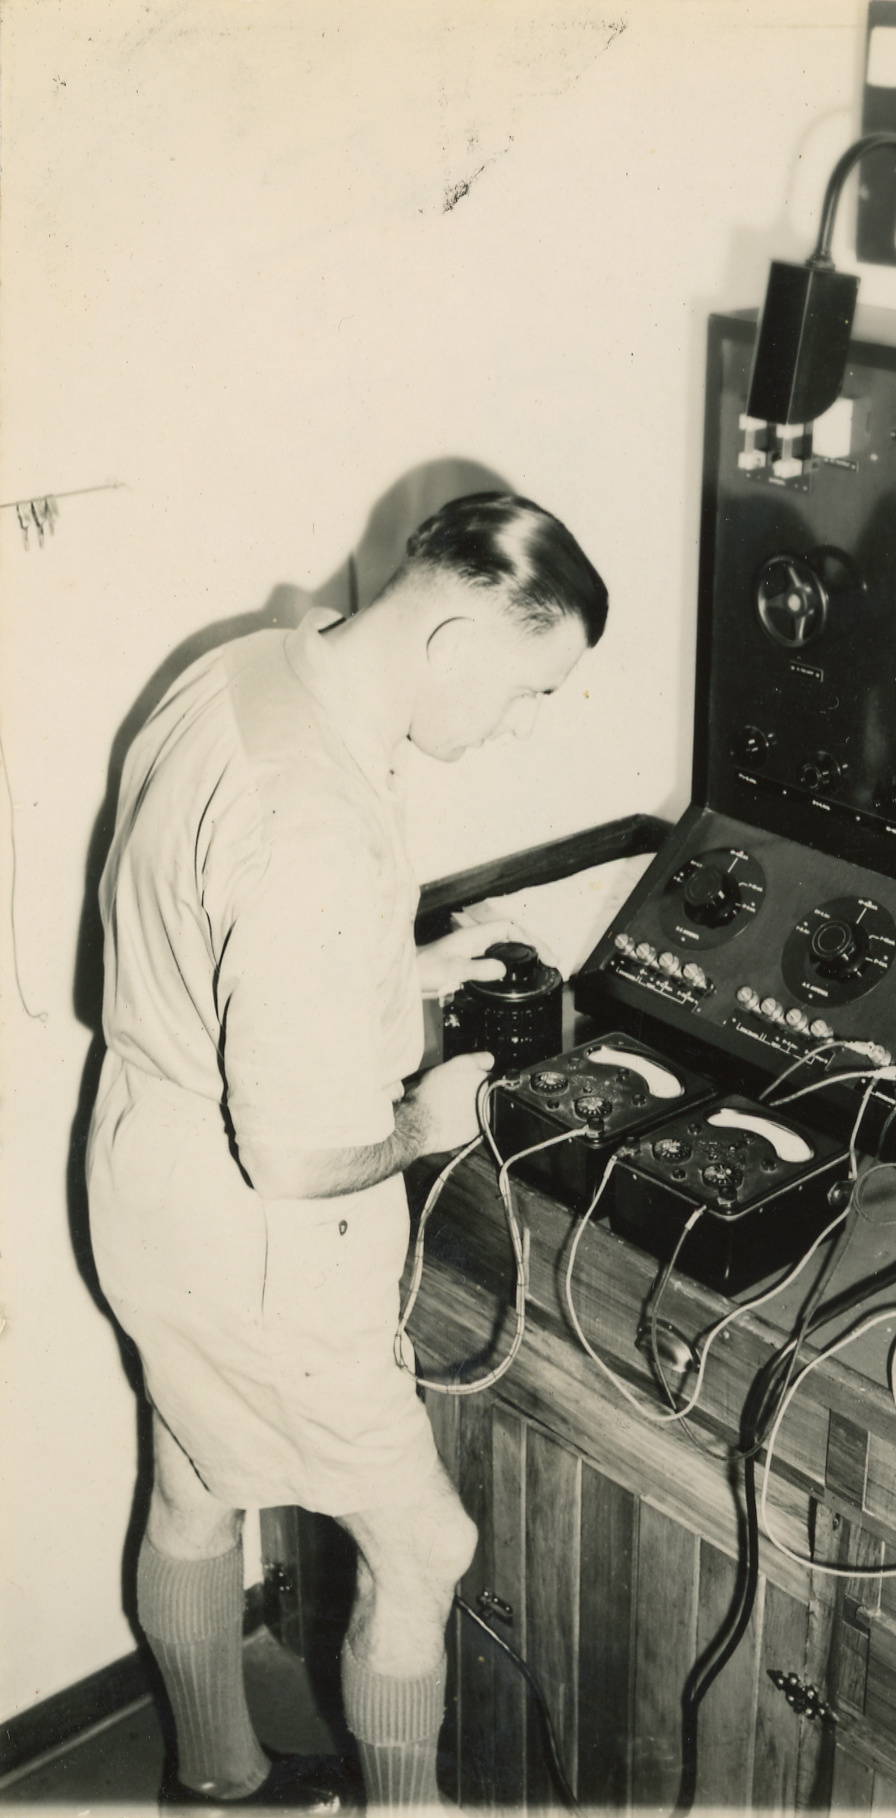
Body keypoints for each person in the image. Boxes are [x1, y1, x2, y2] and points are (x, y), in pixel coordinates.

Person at [85, 493, 608, 1811]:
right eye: (528, 688)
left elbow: (226, 934)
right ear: (448, 640)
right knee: (428, 1545)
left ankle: (211, 1776)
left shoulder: (253, 663)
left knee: (195, 1486)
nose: (520, 723)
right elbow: (296, 1157)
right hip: (259, 1240)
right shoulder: (312, 823)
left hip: (147, 1178)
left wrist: (405, 964)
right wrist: (429, 1122)